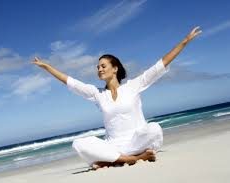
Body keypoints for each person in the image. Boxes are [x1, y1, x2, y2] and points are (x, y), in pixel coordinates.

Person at [32, 26, 202, 170]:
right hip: (112, 146)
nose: (99, 69)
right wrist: (47, 67)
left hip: (137, 140)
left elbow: (159, 66)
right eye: (97, 67)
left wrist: (185, 41)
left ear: (115, 69)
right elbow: (71, 82)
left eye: (103, 66)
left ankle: (114, 160)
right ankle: (132, 159)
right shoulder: (97, 94)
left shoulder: (133, 86)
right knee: (78, 144)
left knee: (154, 129)